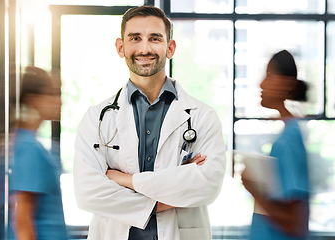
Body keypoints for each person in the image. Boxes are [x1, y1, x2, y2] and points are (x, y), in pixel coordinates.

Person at [73, 5, 226, 240]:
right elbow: (88, 192)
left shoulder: (202, 116)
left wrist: (125, 180)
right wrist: (169, 196)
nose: (145, 48)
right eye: (135, 38)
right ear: (120, 47)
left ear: (170, 48)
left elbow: (207, 186)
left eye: (155, 39)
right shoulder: (98, 117)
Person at [241, 50, 310, 240]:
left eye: (269, 76)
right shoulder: (288, 134)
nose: (261, 84)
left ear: (286, 83)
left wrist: (253, 188)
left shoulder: (289, 140)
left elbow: (294, 223)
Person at [8, 66, 69, 240]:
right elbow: (22, 220)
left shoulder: (31, 144)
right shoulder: (29, 148)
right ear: (33, 100)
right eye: (52, 94)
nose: (59, 101)